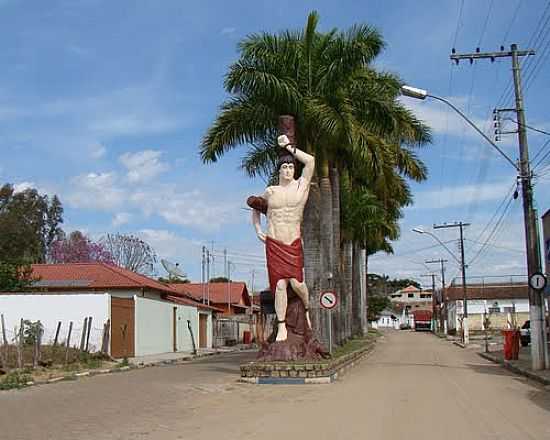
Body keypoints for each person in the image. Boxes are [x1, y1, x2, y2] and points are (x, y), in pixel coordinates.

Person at [250, 134, 315, 342]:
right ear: (279, 171)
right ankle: (281, 326)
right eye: (284, 168)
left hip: (293, 242)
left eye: (291, 168)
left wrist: (288, 146)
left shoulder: (301, 187)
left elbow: (311, 161)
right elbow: (257, 208)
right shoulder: (271, 191)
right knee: (279, 285)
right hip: (274, 242)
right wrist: (258, 229)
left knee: (297, 283)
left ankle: (306, 308)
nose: (288, 171)